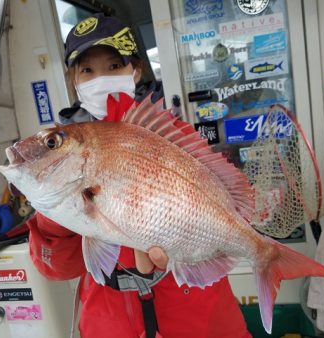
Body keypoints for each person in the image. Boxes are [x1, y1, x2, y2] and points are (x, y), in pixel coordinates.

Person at [27, 13, 251, 338]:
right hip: (109, 319)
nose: (100, 78)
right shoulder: (62, 152)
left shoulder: (173, 136)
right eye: (87, 70)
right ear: (72, 79)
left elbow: (209, 212)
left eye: (114, 66)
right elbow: (57, 268)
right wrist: (53, 211)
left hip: (196, 314)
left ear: (135, 70)